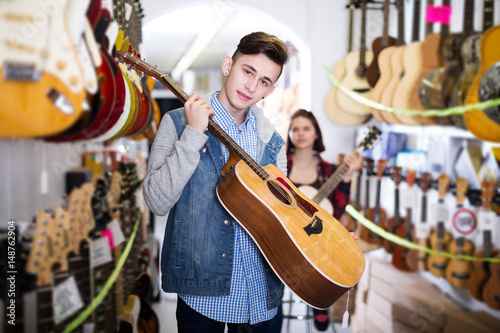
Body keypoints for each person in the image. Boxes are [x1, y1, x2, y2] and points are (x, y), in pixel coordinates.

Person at [142, 32, 289, 333]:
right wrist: (193, 135)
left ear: (270, 90)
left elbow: (283, 215)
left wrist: (326, 238)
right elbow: (156, 201)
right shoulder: (177, 122)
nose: (251, 86)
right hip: (201, 294)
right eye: (247, 71)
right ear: (227, 66)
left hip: (262, 296)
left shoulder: (272, 141)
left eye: (263, 81)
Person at [282, 109, 362, 331]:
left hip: (315, 240)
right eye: (295, 129)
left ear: (316, 133)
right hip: (284, 235)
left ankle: (319, 302)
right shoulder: (281, 164)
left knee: (329, 249)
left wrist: (346, 178)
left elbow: (336, 210)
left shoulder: (328, 170)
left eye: (306, 128)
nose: (300, 133)